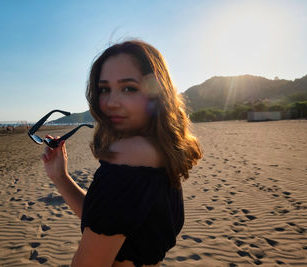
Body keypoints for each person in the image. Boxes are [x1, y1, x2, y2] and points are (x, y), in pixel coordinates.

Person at [42, 40, 202, 267]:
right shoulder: (161, 150)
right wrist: (61, 177)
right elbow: (109, 223)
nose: (111, 102)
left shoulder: (129, 154)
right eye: (104, 89)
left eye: (129, 88)